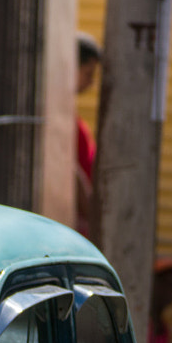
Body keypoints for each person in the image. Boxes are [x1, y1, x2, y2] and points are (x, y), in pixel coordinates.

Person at [75, 32, 101, 240]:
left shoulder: (71, 120)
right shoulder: (65, 122)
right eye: (88, 73)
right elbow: (74, 173)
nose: (91, 83)